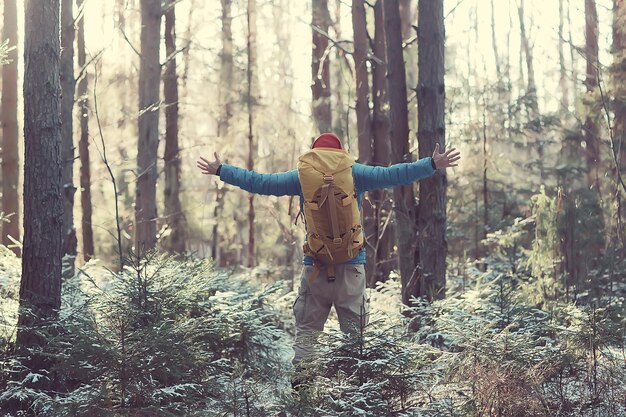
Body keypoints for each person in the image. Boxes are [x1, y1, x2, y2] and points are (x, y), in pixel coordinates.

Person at [197, 133, 461, 388]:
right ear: (340, 151)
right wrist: (431, 163)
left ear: (315, 151)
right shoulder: (354, 172)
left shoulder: (302, 176)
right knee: (355, 340)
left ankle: (301, 395)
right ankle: (359, 396)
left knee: (308, 334)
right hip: (351, 267)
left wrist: (222, 170)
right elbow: (393, 174)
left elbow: (261, 182)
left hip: (316, 269)